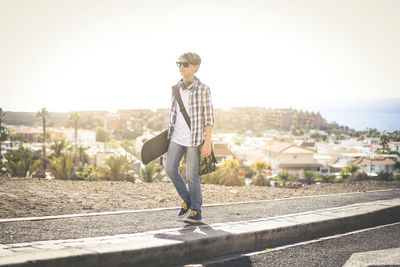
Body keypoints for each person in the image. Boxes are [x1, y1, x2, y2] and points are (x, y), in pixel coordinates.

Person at [165, 52, 214, 223]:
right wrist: (167, 137)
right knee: (170, 169)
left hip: (194, 140)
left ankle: (196, 211)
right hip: (176, 138)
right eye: (179, 63)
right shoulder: (175, 89)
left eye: (185, 64)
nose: (181, 67)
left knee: (192, 176)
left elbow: (209, 118)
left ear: (195, 67)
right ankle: (187, 200)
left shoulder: (204, 90)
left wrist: (207, 142)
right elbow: (173, 115)